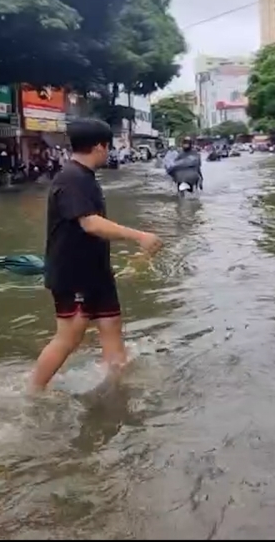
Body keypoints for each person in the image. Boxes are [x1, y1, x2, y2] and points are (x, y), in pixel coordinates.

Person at [30, 119, 162, 392]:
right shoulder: (72, 178)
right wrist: (138, 236)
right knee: (68, 338)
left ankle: (117, 387)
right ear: (100, 146)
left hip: (96, 272)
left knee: (111, 323)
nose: (109, 152)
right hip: (73, 274)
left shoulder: (84, 177)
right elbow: (90, 223)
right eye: (108, 147)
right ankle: (33, 392)